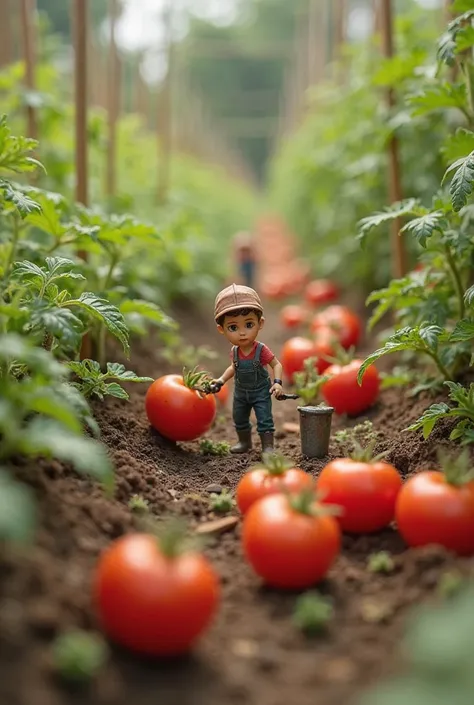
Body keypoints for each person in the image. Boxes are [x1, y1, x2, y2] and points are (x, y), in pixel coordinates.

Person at [211, 283, 283, 455]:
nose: (242, 333)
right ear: (222, 330)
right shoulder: (235, 351)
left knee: (264, 419)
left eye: (249, 324)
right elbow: (233, 368)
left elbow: (276, 364)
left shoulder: (261, 350)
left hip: (260, 392)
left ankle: (268, 447)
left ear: (260, 323)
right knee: (240, 418)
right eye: (233, 327)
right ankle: (245, 443)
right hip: (241, 393)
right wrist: (221, 380)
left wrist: (277, 383)